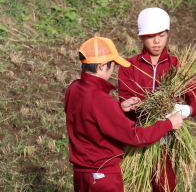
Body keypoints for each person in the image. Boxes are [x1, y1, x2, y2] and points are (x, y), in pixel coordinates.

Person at [64, 36, 186, 192]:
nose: (113, 69)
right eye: (112, 65)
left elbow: (87, 116)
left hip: (81, 174)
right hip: (102, 177)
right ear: (102, 66)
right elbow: (135, 136)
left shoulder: (74, 88)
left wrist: (118, 108)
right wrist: (168, 124)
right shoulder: (100, 99)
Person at [118, 7, 196, 192]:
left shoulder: (178, 66)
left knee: (165, 185)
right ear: (141, 37)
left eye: (162, 35)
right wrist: (146, 107)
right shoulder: (128, 66)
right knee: (135, 185)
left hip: (166, 139)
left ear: (168, 34)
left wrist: (182, 110)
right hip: (137, 138)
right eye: (151, 36)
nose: (157, 41)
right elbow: (126, 102)